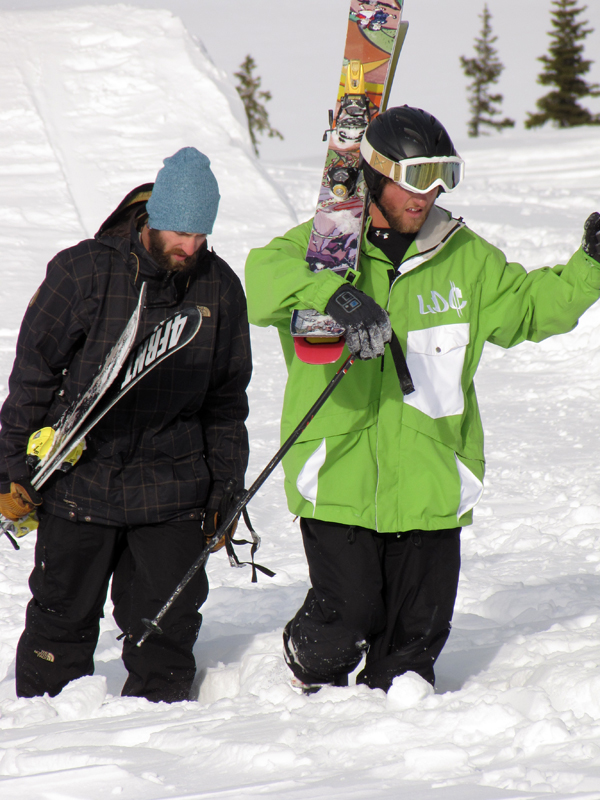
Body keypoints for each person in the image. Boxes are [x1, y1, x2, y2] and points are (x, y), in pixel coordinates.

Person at [245, 106, 600, 694]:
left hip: (432, 474)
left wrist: (591, 265)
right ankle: (308, 671)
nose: (429, 192)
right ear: (378, 174)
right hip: (340, 472)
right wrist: (335, 294)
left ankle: (390, 755)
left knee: (413, 651)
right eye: (417, 177)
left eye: (444, 177)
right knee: (346, 621)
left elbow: (534, 308)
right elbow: (262, 282)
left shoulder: (467, 259)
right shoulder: (325, 245)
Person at [0, 147, 252, 702]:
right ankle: (45, 732)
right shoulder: (84, 270)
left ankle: (160, 743)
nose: (191, 247)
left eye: (201, 235)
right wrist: (11, 466)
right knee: (58, 624)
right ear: (155, 218)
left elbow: (227, 400)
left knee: (165, 629)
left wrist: (225, 487)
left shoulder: (219, 289)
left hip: (172, 488)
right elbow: (34, 374)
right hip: (81, 481)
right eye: (181, 233)